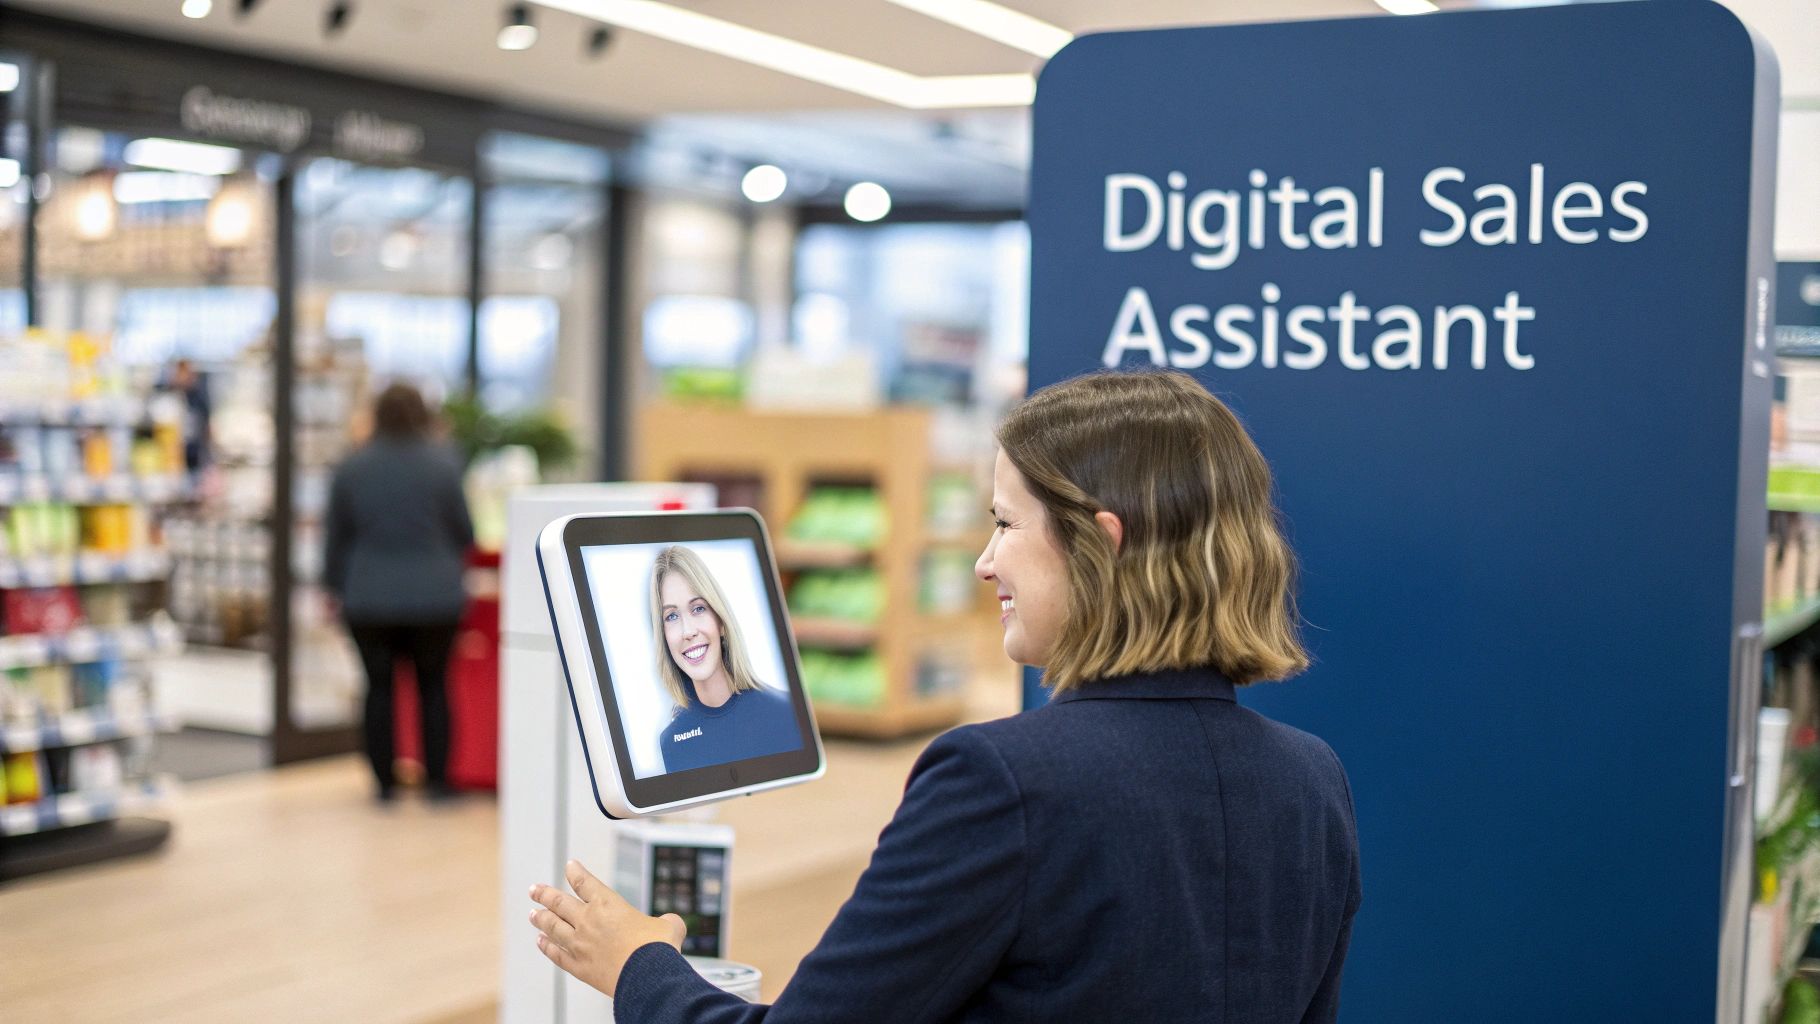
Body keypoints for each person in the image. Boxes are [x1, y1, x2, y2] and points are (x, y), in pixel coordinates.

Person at [528, 369, 1361, 1022]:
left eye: (1004, 523)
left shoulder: (1003, 780)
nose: (983, 562)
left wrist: (637, 965)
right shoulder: (1312, 779)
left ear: (1098, 546)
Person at [324, 382, 474, 803]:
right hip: (435, 598)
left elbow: (336, 539)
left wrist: (333, 588)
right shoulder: (443, 465)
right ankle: (439, 784)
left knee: (378, 688)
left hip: (368, 596)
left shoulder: (352, 467)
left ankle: (384, 784)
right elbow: (466, 532)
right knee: (433, 687)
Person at [648, 545, 799, 774]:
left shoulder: (785, 712)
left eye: (698, 608)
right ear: (663, 635)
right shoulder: (671, 742)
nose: (687, 631)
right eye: (672, 616)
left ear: (720, 621)